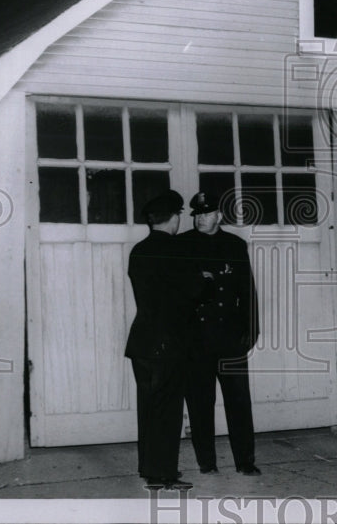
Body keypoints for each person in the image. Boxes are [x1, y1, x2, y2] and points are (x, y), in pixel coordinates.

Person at [180, 191, 261, 475]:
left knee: (239, 401)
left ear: (220, 216)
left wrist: (252, 330)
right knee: (201, 403)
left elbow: (247, 289)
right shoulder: (183, 245)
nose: (201, 218)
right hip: (196, 338)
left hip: (230, 337)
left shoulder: (235, 245)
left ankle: (245, 461)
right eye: (197, 214)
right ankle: (207, 463)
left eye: (206, 213)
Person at [124, 190, 193, 491]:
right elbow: (189, 294)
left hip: (142, 342)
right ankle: (164, 475)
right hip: (169, 343)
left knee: (149, 409)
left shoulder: (138, 251)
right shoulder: (177, 251)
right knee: (168, 411)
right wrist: (202, 278)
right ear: (174, 218)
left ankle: (150, 471)